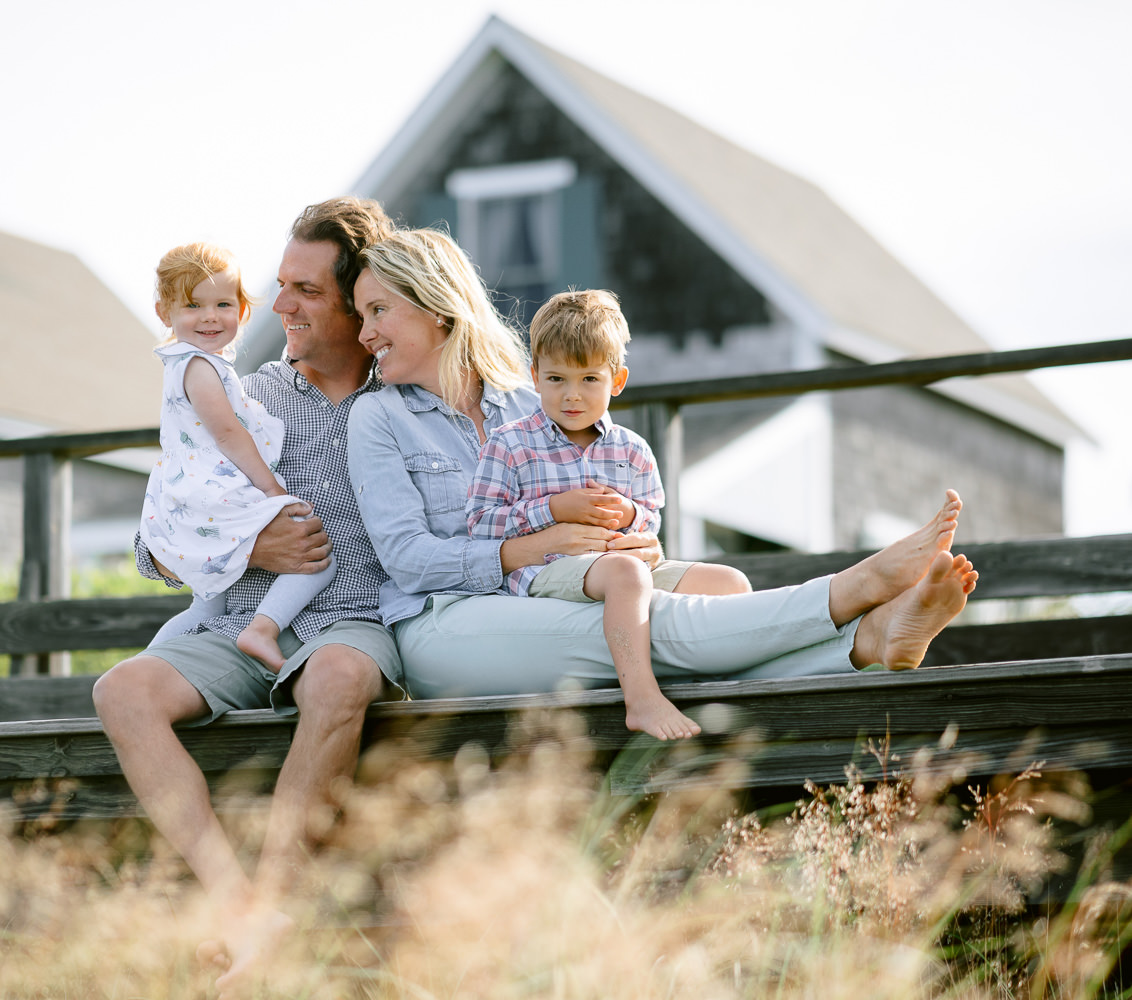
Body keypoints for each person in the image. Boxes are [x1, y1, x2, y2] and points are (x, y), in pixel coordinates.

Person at [346, 227, 976, 702]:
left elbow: (621, 499)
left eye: (378, 311)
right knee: (648, 621)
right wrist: (531, 546)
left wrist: (634, 539)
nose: (364, 333)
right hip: (444, 622)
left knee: (719, 588)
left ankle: (866, 644)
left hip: (577, 583)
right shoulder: (377, 418)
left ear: (435, 307)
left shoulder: (530, 397)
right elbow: (408, 559)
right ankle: (851, 596)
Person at [93, 199, 401, 992]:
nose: (282, 307)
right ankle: (240, 911)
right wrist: (252, 543)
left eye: (305, 291)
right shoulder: (239, 390)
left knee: (339, 677)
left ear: (356, 299)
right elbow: (153, 547)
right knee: (123, 691)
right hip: (239, 620)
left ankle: (277, 910)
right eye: (280, 285)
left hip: (351, 619)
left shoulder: (405, 398)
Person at [466, 289, 752, 741]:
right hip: (547, 571)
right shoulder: (508, 443)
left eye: (589, 380)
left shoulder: (632, 449)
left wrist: (632, 516)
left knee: (730, 582)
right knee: (626, 575)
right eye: (557, 379)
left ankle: (732, 695)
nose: (572, 396)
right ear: (535, 376)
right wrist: (552, 510)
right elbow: (480, 522)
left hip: (622, 566)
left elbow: (652, 518)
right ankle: (640, 699)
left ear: (616, 380)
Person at [141, 242, 336, 670]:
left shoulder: (188, 364)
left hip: (191, 492)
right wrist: (271, 489)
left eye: (223, 303)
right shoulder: (199, 366)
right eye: (193, 305)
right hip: (219, 492)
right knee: (317, 557)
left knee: (206, 611)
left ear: (243, 311)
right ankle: (262, 629)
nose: (210, 316)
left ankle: (150, 660)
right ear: (164, 312)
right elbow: (229, 435)